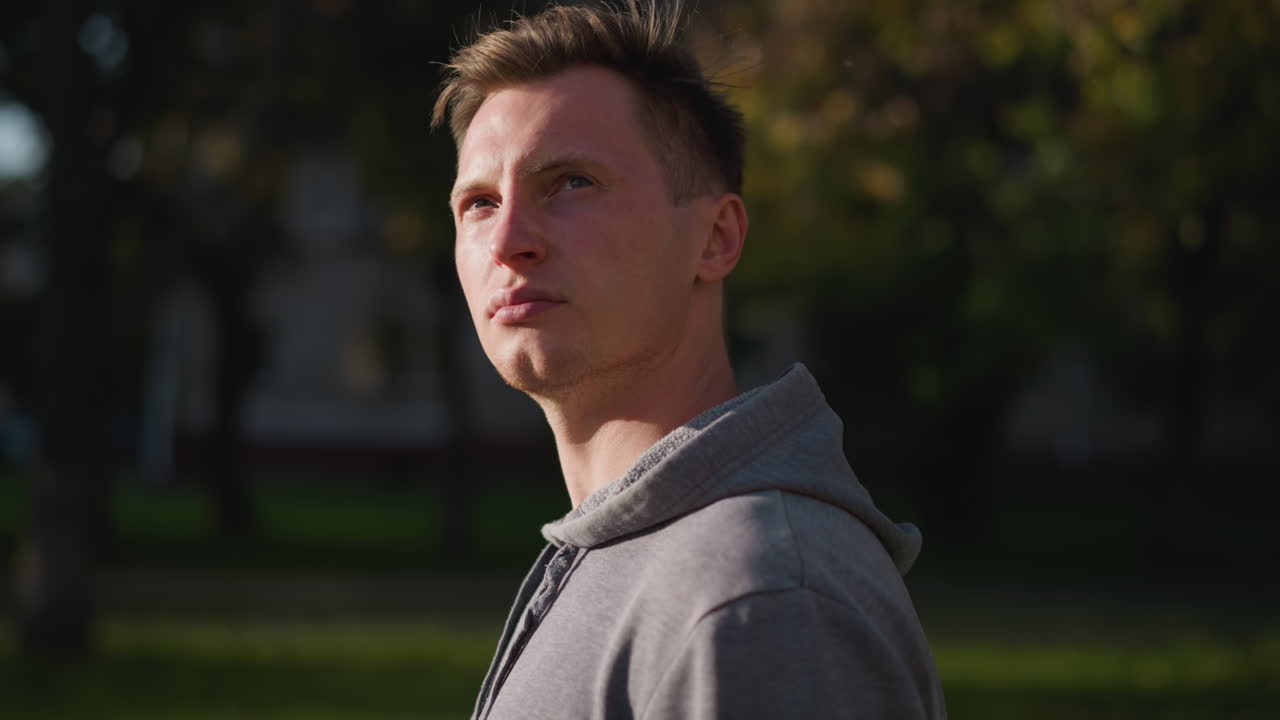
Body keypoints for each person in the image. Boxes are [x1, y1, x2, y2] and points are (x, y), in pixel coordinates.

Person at [433, 2, 946, 718]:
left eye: (571, 183)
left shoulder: (759, 595)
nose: (509, 240)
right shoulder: (651, 559)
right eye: (480, 202)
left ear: (715, 238)